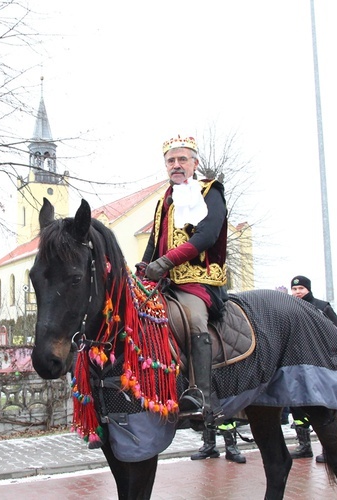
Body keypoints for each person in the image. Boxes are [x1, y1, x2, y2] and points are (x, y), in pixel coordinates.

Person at [139, 134, 229, 461]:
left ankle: (203, 399)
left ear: (194, 163)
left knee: (193, 320)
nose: (176, 165)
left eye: (182, 160)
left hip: (198, 282)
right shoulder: (165, 199)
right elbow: (153, 242)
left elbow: (208, 234)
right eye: (170, 160)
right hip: (164, 281)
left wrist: (168, 261)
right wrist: (144, 269)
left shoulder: (210, 190)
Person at [288, 275, 337, 463]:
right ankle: (304, 445)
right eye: (295, 289)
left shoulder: (322, 307)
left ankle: (330, 447)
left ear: (308, 289)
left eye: (301, 289)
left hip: (320, 365)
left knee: (324, 406)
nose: (298, 292)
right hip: (296, 364)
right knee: (298, 407)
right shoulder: (288, 307)